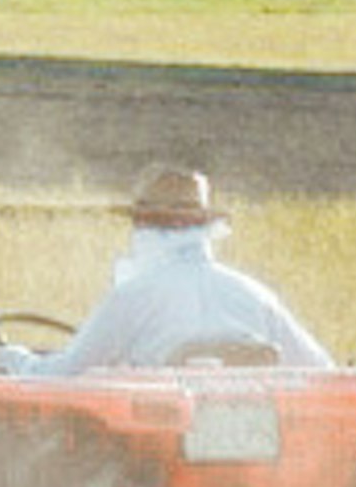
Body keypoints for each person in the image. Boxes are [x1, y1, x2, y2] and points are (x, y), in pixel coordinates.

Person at [40, 161, 327, 376]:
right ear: (203, 226)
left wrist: (11, 359)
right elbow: (321, 370)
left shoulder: (132, 297)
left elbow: (65, 373)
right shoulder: (255, 295)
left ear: (144, 225)